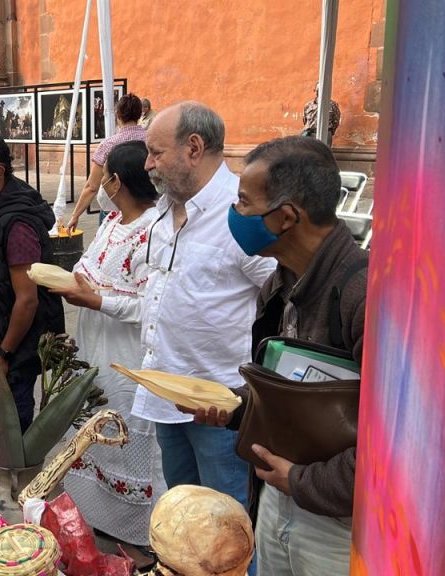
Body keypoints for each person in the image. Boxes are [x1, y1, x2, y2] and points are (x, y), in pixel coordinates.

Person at [190, 136, 367, 575]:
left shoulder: (369, 295)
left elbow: (398, 443)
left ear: (286, 216)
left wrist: (302, 481)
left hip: (339, 522)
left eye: (244, 202)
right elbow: (294, 393)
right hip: (279, 496)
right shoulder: (280, 284)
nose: (235, 213)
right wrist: (236, 407)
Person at [135, 102, 276, 543]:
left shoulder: (242, 212)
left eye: (156, 152)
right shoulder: (164, 208)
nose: (147, 164)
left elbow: (282, 301)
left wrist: (258, 395)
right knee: (185, 521)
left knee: (227, 532)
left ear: (193, 148)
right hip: (167, 394)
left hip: (219, 409)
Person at [49, 141, 165, 549]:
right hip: (92, 344)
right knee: (92, 423)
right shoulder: (112, 220)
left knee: (125, 428)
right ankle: (92, 515)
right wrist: (74, 283)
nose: (99, 184)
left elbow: (151, 306)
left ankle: (137, 532)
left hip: (127, 354)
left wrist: (98, 301)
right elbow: (88, 266)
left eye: (104, 176)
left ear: (116, 182)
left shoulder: (155, 231)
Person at [0, 132, 65, 431]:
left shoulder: (17, 224)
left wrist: (4, 354)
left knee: (13, 434)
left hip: (12, 351)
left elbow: (27, 299)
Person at [64, 93, 147, 231]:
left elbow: (92, 187)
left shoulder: (108, 145)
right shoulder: (152, 141)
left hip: (114, 210)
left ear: (117, 115)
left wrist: (75, 215)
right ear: (139, 114)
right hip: (148, 209)